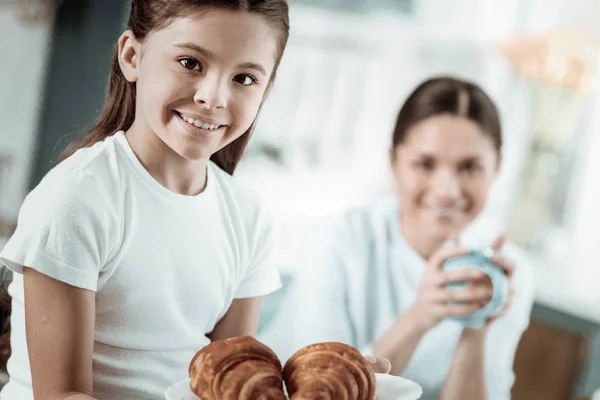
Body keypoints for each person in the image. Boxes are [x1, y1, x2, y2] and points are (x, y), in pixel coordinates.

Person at [0, 1, 292, 398]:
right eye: (191, 63)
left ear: (267, 89)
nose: (214, 97)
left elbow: (231, 382)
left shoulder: (248, 216)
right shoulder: (78, 198)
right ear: (132, 56)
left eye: (244, 78)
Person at [260, 76, 535, 400]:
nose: (447, 190)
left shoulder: (508, 271)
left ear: (497, 168)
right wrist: (419, 317)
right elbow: (321, 391)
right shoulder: (340, 240)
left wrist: (477, 326)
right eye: (424, 164)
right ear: (394, 161)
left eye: (470, 167)